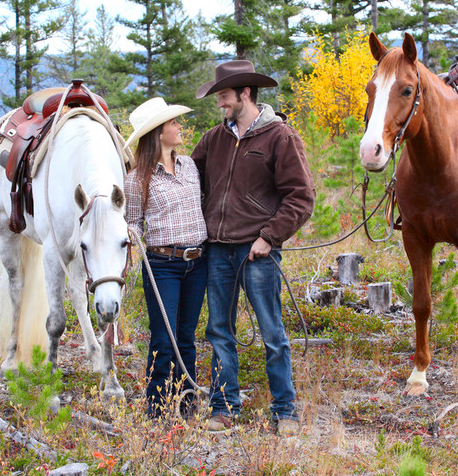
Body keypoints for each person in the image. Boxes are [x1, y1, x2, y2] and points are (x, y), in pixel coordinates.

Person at [191, 60, 315, 436]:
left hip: (258, 251)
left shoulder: (281, 137)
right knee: (219, 332)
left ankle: (285, 411)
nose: (219, 104)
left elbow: (301, 197)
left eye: (224, 97)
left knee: (272, 333)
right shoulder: (213, 139)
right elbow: (187, 180)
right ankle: (225, 408)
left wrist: (269, 237)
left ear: (245, 93)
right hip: (217, 251)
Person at [124, 97, 208, 419]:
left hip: (196, 262)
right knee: (164, 338)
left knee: (186, 337)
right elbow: (132, 221)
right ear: (159, 133)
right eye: (173, 123)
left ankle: (186, 405)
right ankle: (157, 410)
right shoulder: (137, 178)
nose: (178, 126)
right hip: (162, 266)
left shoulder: (189, 166)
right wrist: (130, 238)